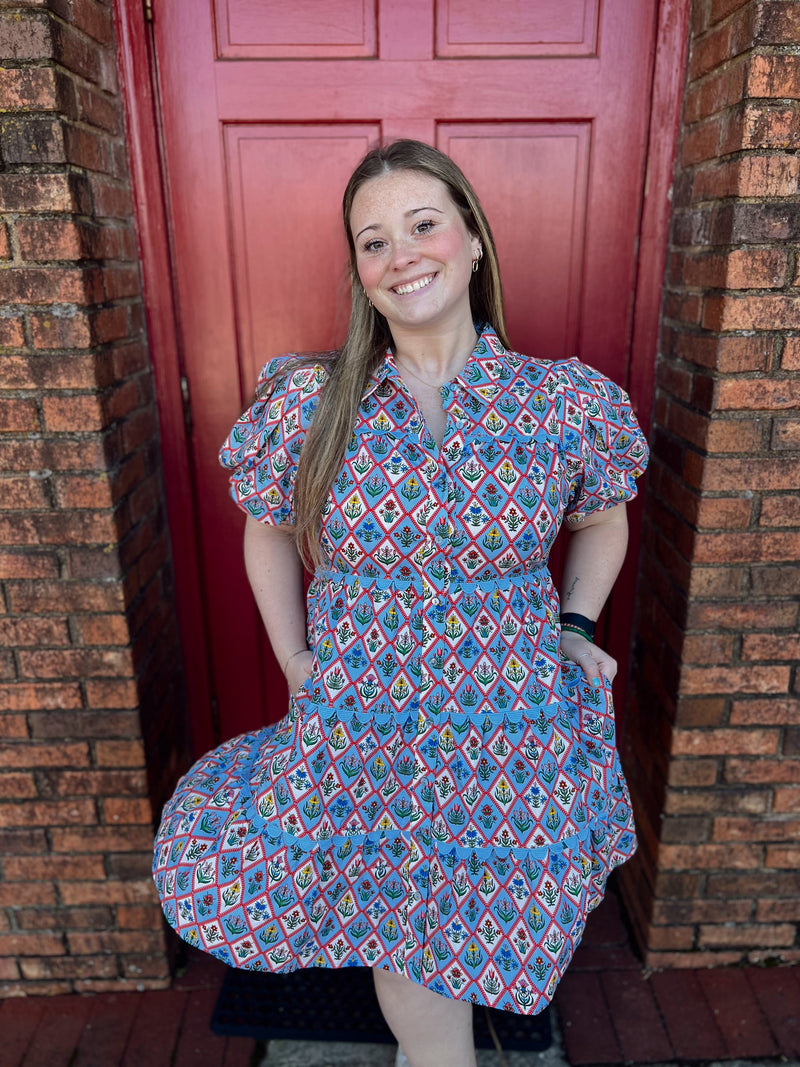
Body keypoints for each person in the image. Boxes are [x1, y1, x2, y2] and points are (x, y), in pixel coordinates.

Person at [153, 140, 649, 1067]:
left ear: (473, 242)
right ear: (359, 272)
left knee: (490, 906)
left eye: (423, 225)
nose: (401, 255)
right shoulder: (313, 400)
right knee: (400, 919)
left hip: (508, 717)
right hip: (369, 720)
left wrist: (575, 624)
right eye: (372, 242)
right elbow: (267, 527)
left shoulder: (560, 403)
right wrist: (297, 660)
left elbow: (604, 517)